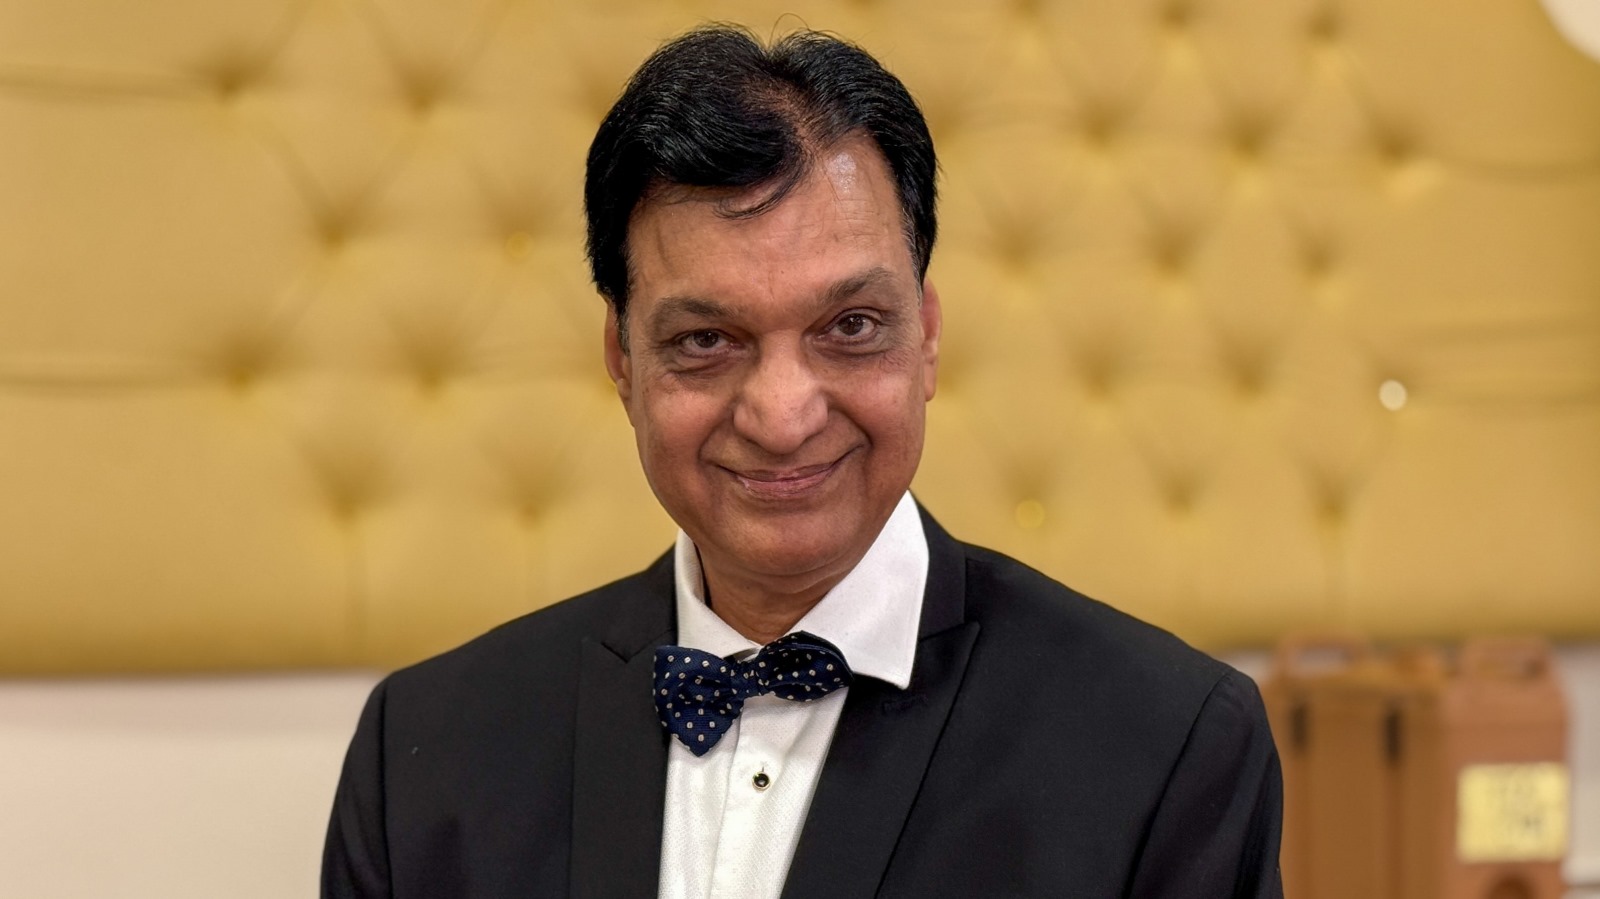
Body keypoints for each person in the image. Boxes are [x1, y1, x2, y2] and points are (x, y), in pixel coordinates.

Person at [323, 25, 1283, 899]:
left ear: (927, 336)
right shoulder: (425, 756)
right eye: (706, 340)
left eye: (850, 326)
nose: (783, 417)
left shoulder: (1167, 745)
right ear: (622, 360)